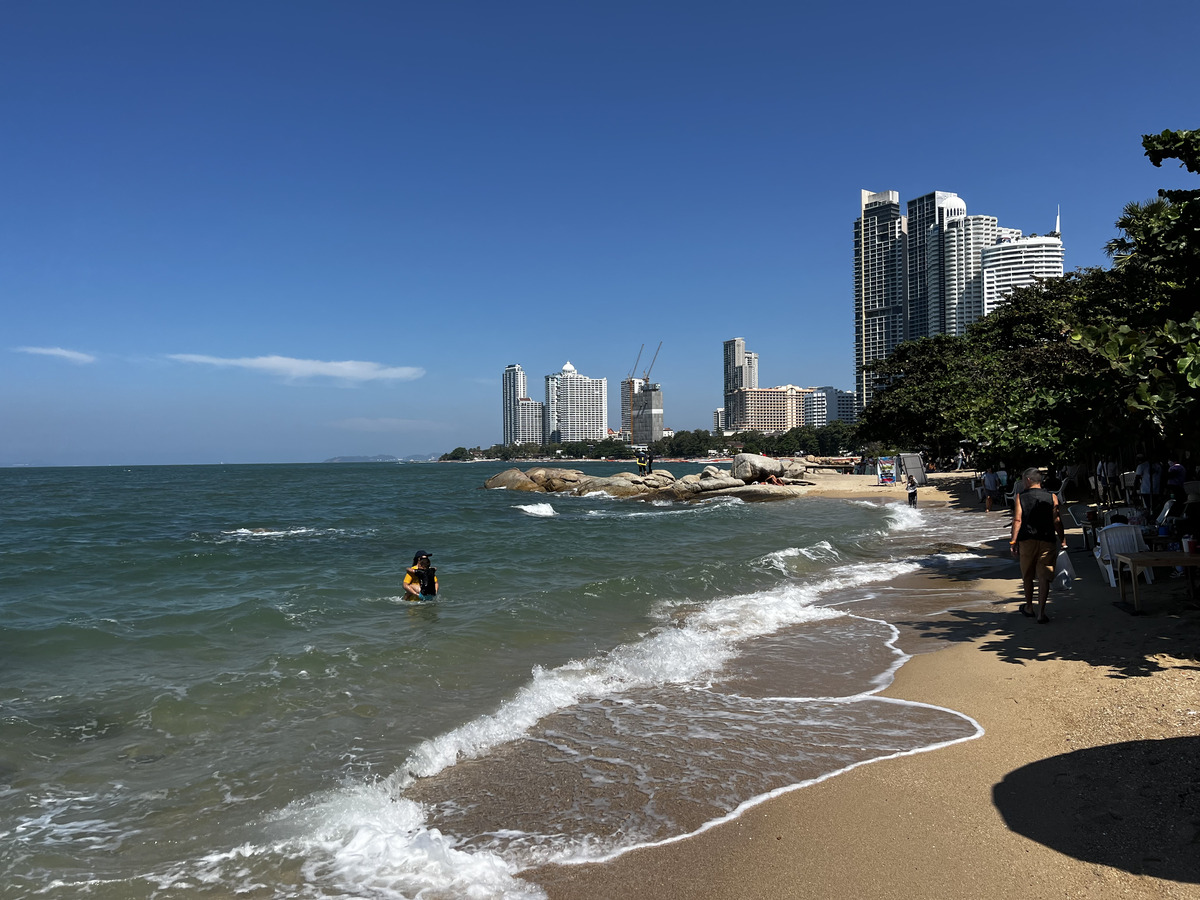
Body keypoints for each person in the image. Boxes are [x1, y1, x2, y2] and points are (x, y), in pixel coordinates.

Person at [1010, 468, 1066, 624]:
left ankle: (1029, 607)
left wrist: (1013, 541)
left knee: (1027, 575)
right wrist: (1063, 539)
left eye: (1022, 479)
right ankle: (1041, 613)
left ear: (1028, 480)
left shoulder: (1021, 497)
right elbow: (1057, 520)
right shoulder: (1052, 497)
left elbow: (1017, 520)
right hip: (1047, 539)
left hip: (1027, 541)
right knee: (1044, 577)